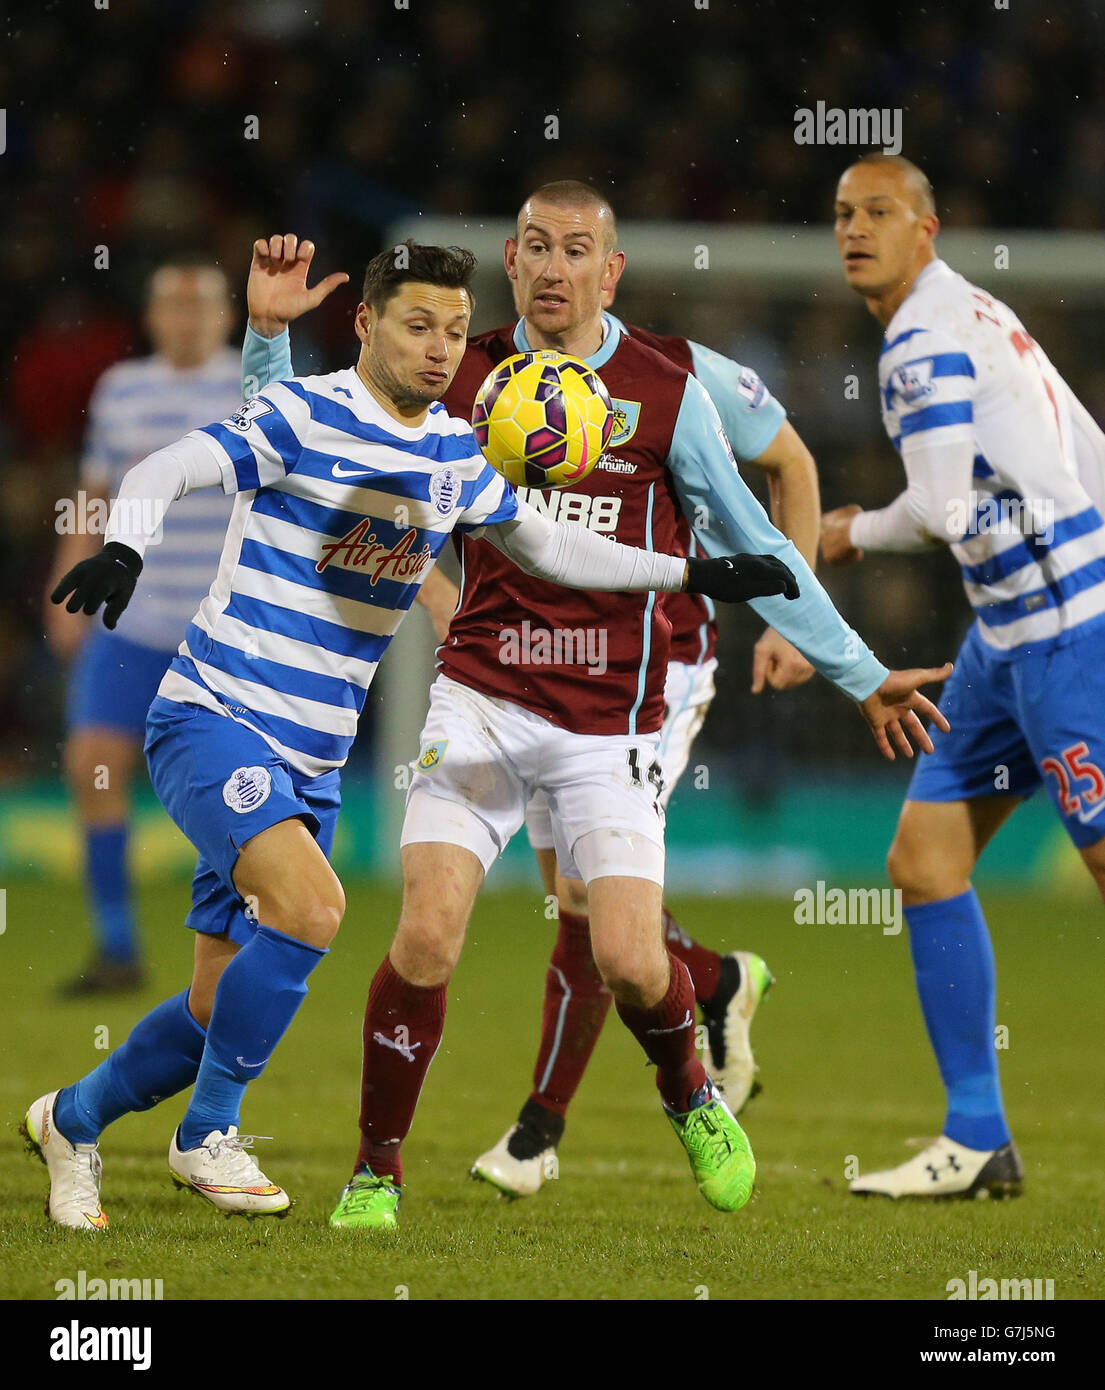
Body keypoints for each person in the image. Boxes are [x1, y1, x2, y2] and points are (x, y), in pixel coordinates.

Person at [23, 240, 800, 1231]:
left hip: (309, 759)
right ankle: (207, 1134)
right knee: (313, 909)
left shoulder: (453, 454)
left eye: (449, 329)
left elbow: (550, 544)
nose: (438, 349)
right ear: (365, 325)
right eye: (415, 325)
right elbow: (167, 467)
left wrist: (691, 574)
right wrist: (126, 544)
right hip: (214, 718)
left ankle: (73, 1121)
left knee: (220, 1008)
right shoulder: (301, 413)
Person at [241, 192, 952, 1232]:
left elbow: (755, 536)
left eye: (577, 251)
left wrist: (854, 669)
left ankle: (688, 1095)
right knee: (428, 935)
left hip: (609, 722)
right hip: (479, 699)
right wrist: (266, 337)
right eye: (535, 247)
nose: (554, 268)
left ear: (609, 272)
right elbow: (313, 439)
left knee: (624, 952)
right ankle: (374, 1174)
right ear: (510, 260)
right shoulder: (462, 370)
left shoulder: (668, 390)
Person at [822, 153, 1105, 1199]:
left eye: (880, 212)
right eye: (844, 214)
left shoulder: (921, 339)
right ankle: (977, 1137)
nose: (856, 229)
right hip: (1005, 636)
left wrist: (842, 529)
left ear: (926, 229)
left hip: (1067, 634)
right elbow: (1080, 441)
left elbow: (935, 513)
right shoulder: (979, 315)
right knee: (925, 857)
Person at [44, 263, 240, 996]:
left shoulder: (251, 387)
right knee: (92, 765)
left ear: (225, 316)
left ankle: (240, 942)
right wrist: (67, 574)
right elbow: (94, 493)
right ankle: (117, 950)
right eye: (171, 303)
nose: (186, 316)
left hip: (222, 628)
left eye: (200, 304)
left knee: (229, 787)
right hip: (133, 616)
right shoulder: (121, 389)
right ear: (152, 316)